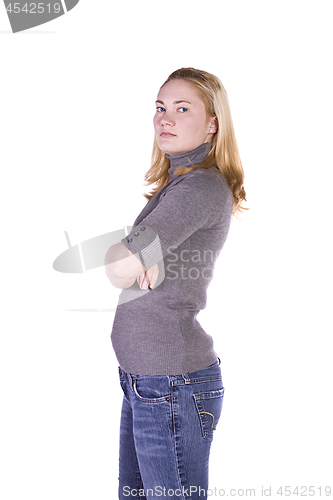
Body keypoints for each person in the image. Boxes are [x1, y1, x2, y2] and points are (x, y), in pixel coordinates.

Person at [104, 67, 247, 499]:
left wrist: (131, 256)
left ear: (212, 123)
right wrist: (130, 257)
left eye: (182, 109)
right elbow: (123, 266)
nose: (165, 118)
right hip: (146, 381)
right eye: (160, 108)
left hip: (171, 385)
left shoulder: (199, 188)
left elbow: (118, 268)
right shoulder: (176, 185)